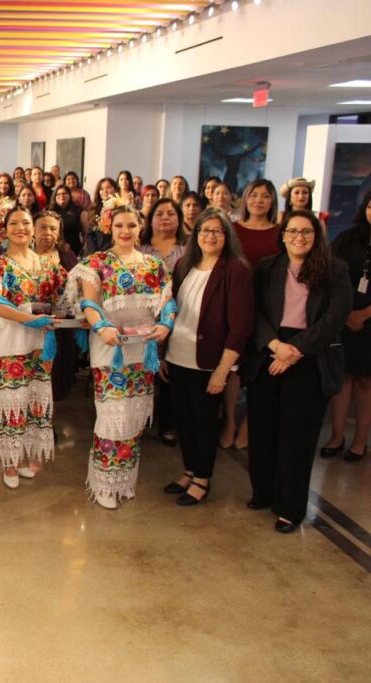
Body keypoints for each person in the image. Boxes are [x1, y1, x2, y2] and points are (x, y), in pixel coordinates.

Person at [246, 210, 351, 533]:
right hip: (270, 350)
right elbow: (255, 312)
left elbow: (334, 318)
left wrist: (295, 351)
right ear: (283, 235)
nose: (299, 237)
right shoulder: (267, 267)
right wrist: (275, 345)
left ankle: (290, 507)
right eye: (292, 231)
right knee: (263, 430)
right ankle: (263, 493)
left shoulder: (334, 269)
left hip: (311, 356)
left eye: (306, 232)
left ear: (316, 236)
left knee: (298, 437)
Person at [68, 205, 173, 509]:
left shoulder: (154, 264)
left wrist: (166, 324)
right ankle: (104, 484)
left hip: (143, 351)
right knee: (113, 417)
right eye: (119, 226)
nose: (125, 231)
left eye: (131, 225)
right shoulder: (96, 262)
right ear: (109, 228)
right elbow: (89, 304)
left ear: (140, 228)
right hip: (110, 349)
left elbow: (168, 301)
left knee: (135, 418)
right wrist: (101, 327)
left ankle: (124, 481)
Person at [163, 208, 253, 506]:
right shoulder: (184, 265)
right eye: (205, 230)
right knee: (184, 420)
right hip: (177, 356)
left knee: (203, 423)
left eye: (217, 231)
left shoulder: (235, 271)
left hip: (209, 362)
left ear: (227, 236)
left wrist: (222, 370)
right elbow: (170, 311)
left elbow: (240, 327)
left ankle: (202, 478)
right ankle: (189, 471)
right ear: (196, 234)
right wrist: (162, 354)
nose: (210, 236)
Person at [0, 207, 68, 489]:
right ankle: (8, 462)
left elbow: (66, 298)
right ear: (4, 230)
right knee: (11, 405)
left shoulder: (47, 265)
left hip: (39, 346)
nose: (21, 228)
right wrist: (30, 319)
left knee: (31, 404)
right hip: (10, 345)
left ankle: (22, 458)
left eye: (26, 223)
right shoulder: (0, 265)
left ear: (33, 228)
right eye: (14, 223)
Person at [224, 178, 279, 450]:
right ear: (245, 199)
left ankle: (247, 426)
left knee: (259, 367)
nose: (259, 200)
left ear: (272, 201)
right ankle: (229, 422)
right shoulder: (232, 229)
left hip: (268, 307)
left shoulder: (280, 232)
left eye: (265, 196)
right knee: (232, 365)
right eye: (254, 195)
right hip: (235, 303)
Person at [322, 189, 371, 462]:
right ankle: (337, 436)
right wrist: (347, 313)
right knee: (341, 378)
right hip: (343, 317)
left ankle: (360, 440)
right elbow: (330, 276)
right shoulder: (346, 239)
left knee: (365, 382)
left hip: (369, 322)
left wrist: (363, 314)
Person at [140, 198, 188, 446]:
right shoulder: (140, 249)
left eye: (171, 213)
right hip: (144, 315)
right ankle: (139, 421)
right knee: (143, 367)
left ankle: (168, 423)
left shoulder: (188, 249)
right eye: (159, 214)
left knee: (170, 369)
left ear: (179, 219)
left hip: (180, 314)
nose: (165, 218)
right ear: (150, 220)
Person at [32, 210, 80, 405]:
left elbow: (77, 291)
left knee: (56, 379)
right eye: (43, 227)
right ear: (33, 229)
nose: (48, 232)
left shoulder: (67, 256)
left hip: (60, 327)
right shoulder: (23, 255)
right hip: (30, 324)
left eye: (53, 228)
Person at [82, 177, 117, 255]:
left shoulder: (120, 209)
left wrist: (105, 252)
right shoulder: (94, 209)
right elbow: (90, 234)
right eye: (101, 189)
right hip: (93, 252)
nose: (105, 191)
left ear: (115, 189)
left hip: (113, 252)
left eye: (108, 188)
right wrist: (95, 252)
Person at [48, 184, 84, 256]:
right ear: (54, 197)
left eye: (64, 193)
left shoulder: (78, 210)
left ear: (69, 195)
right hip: (54, 249)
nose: (61, 196)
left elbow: (85, 232)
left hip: (75, 249)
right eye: (58, 194)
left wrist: (85, 247)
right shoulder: (48, 211)